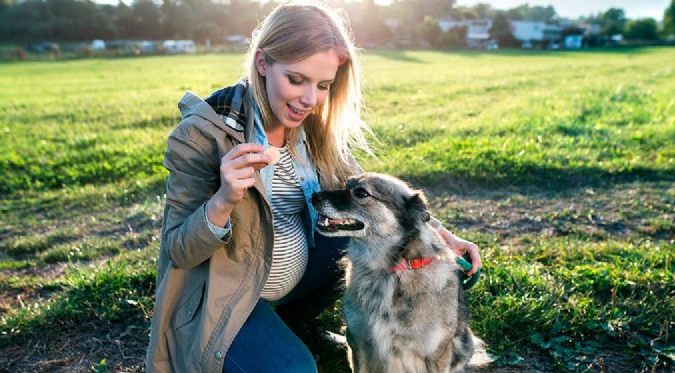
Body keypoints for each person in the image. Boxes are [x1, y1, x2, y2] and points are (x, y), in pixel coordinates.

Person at [145, 1, 482, 372]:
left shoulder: (311, 126)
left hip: (293, 285)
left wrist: (441, 235)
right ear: (262, 63)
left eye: (323, 85)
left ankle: (288, 321)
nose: (310, 99)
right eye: (296, 79)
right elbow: (178, 250)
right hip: (226, 299)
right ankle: (262, 337)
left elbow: (371, 199)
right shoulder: (200, 136)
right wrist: (223, 201)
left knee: (365, 219)